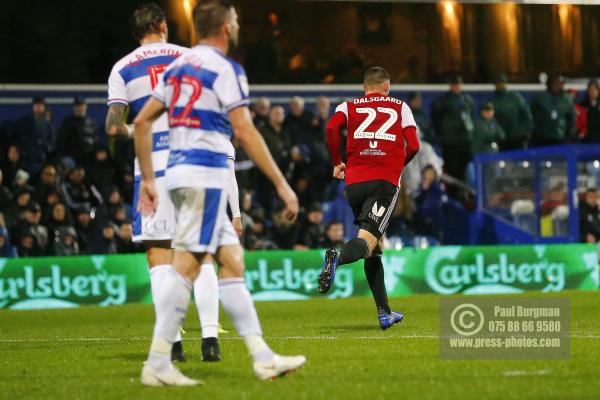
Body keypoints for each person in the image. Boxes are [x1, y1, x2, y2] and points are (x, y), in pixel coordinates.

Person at [133, 0, 305, 386]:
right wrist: (281, 183)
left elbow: (142, 121)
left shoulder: (178, 66)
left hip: (178, 174)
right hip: (205, 175)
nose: (239, 23)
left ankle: (262, 357)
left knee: (232, 262)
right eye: (237, 18)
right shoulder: (227, 69)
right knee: (188, 267)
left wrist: (147, 177)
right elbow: (243, 130)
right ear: (226, 27)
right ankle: (158, 362)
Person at [105, 3, 191, 362]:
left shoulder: (123, 67)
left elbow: (113, 127)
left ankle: (172, 341)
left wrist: (134, 127)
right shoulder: (190, 57)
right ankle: (210, 340)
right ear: (161, 25)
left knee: (158, 252)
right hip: (193, 160)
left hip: (152, 165)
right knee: (192, 250)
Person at [320, 66, 419, 329]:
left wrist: (337, 162)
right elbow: (415, 145)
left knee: (374, 247)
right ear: (386, 88)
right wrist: (397, 165)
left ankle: (384, 311)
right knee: (366, 240)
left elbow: (331, 128)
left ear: (365, 87)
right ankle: (336, 259)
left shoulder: (348, 105)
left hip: (355, 183)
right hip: (383, 182)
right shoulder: (400, 107)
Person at [431, 75, 473, 182]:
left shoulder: (467, 99)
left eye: (458, 84)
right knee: (452, 169)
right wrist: (442, 132)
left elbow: (470, 117)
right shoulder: (443, 100)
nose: (457, 87)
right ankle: (453, 194)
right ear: (450, 86)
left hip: (464, 140)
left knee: (465, 168)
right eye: (454, 85)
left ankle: (464, 194)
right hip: (450, 141)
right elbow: (435, 118)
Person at [487, 74, 533, 151]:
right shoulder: (492, 100)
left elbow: (526, 114)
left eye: (502, 83)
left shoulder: (515, 97)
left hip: (517, 137)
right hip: (501, 138)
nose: (500, 85)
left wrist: (528, 130)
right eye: (498, 83)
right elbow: (488, 120)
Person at [12, 97, 55, 176]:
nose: (38, 108)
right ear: (33, 107)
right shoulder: (24, 122)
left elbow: (52, 144)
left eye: (41, 105)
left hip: (41, 160)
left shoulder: (48, 125)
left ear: (44, 107)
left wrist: (44, 146)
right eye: (36, 105)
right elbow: (17, 138)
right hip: (26, 160)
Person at [530, 75, 576, 147]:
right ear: (550, 84)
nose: (558, 86)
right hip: (541, 138)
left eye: (560, 84)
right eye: (555, 83)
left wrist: (569, 136)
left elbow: (571, 120)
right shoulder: (540, 97)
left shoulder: (567, 100)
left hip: (560, 138)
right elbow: (530, 114)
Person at [56, 98, 100, 164]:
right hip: (73, 158)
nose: (80, 108)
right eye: (78, 106)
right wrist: (64, 156)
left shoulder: (92, 122)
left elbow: (96, 141)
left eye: (82, 105)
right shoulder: (67, 122)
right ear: (74, 108)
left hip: (89, 158)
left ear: (85, 107)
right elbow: (61, 141)